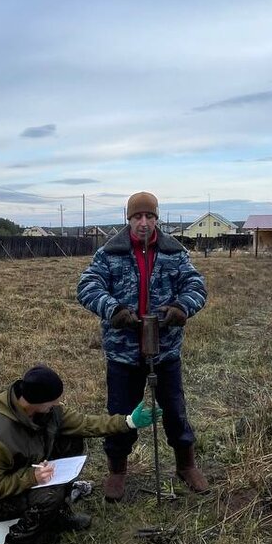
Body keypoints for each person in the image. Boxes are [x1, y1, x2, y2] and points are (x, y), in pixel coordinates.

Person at [0, 365, 160, 544]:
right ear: (36, 401)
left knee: (72, 440)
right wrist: (31, 478)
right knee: (50, 495)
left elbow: (86, 424)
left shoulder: (50, 413)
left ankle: (56, 514)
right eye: (53, 401)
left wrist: (128, 422)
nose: (57, 404)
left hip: (32, 474)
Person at [77, 191, 209, 500]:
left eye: (150, 216)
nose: (144, 222)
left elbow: (196, 286)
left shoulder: (174, 252)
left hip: (166, 352)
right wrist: (114, 310)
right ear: (129, 219)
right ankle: (117, 471)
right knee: (121, 412)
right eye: (138, 216)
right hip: (123, 354)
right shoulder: (110, 253)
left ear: (157, 219)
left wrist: (181, 308)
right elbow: (87, 286)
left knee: (175, 410)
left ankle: (186, 465)